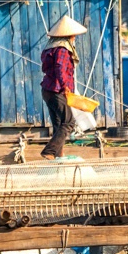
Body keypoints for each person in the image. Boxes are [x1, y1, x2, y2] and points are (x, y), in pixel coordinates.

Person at [40, 14, 87, 159]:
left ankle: (58, 154)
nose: (74, 38)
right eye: (73, 36)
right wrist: (65, 86)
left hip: (48, 90)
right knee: (68, 122)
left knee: (58, 123)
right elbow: (60, 68)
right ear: (69, 36)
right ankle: (49, 151)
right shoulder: (62, 49)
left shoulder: (50, 47)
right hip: (56, 90)